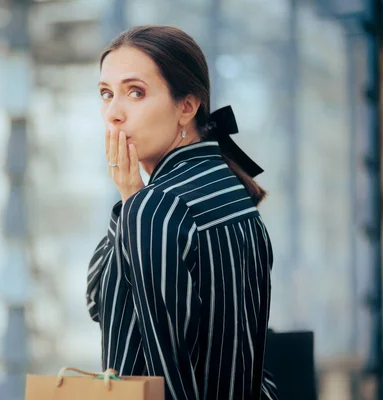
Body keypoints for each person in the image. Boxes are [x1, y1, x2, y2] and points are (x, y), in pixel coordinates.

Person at [85, 25, 279, 400]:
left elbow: (164, 367)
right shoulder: (231, 191)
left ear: (186, 106)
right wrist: (131, 201)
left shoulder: (157, 206)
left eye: (135, 92)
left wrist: (134, 206)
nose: (113, 113)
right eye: (106, 94)